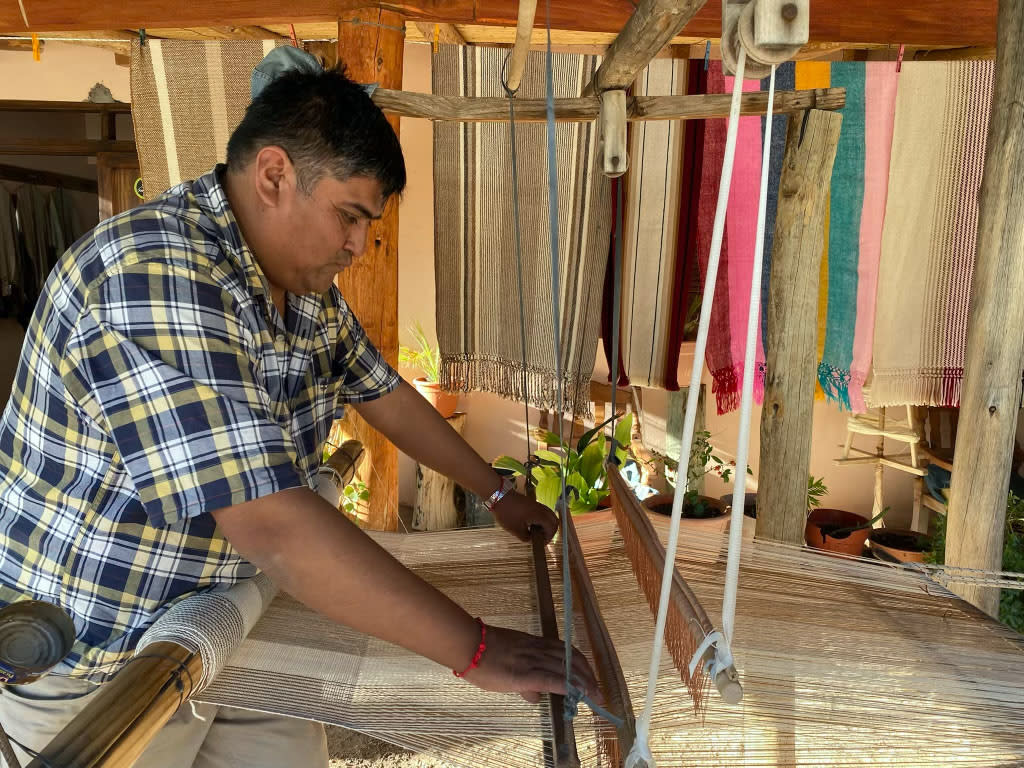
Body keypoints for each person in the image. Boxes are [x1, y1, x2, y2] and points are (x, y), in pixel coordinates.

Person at [0, 50, 597, 767]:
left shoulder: (302, 291)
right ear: (276, 175)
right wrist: (478, 651)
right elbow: (275, 524)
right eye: (349, 215)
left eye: (367, 223)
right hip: (104, 655)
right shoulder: (154, 271)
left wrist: (494, 490)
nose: (357, 244)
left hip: (229, 609)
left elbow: (384, 393)